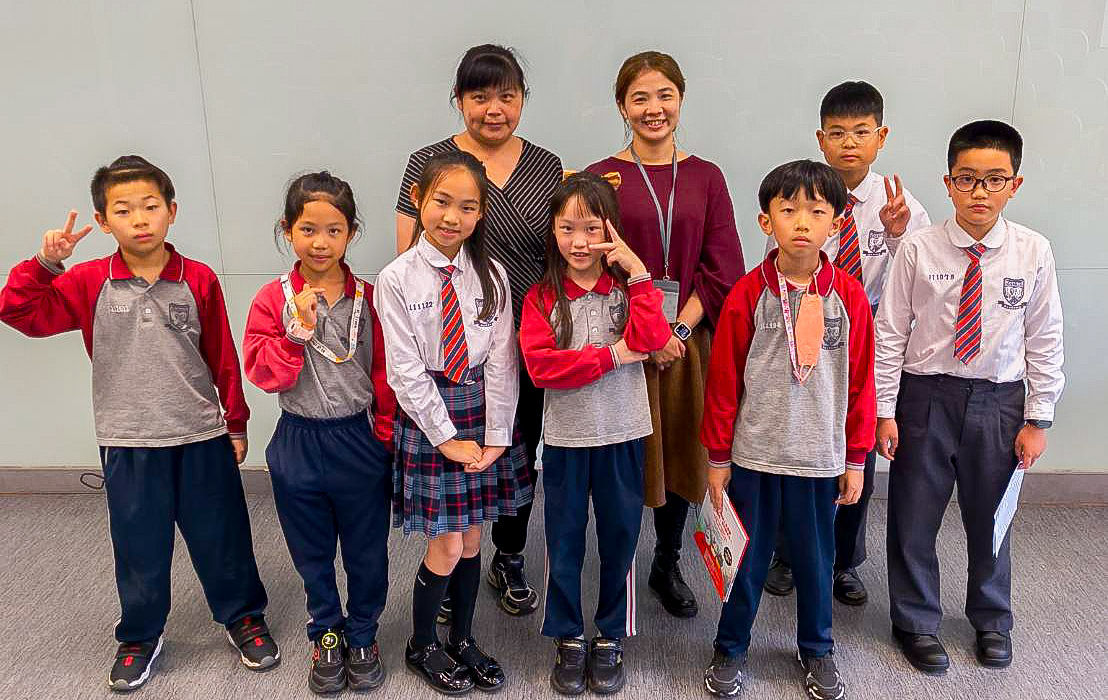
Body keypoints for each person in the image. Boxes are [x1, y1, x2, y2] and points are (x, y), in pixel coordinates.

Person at [0, 155, 277, 692]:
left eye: (151, 206)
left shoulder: (198, 278)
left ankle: (243, 617)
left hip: (201, 435)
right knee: (139, 545)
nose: (140, 219)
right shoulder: (87, 281)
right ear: (104, 222)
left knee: (222, 536)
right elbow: (20, 313)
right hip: (128, 439)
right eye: (123, 210)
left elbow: (222, 356)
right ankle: (140, 635)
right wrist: (44, 264)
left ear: (172, 211)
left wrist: (236, 423)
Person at [876, 120, 1064, 674]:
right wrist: (885, 411)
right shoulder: (918, 248)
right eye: (967, 179)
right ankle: (915, 621)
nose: (980, 192)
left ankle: (992, 618)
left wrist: (1039, 418)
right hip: (926, 397)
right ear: (949, 183)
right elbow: (891, 332)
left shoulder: (1032, 251)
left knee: (992, 516)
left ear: (1014, 184)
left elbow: (1045, 337)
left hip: (999, 402)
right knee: (913, 515)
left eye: (994, 179)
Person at [395, 44, 562, 617]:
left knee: (518, 447)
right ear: (459, 99)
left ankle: (508, 555)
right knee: (453, 459)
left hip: (527, 341)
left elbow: (558, 252)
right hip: (452, 347)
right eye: (480, 95)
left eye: (507, 96)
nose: (494, 108)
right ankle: (451, 565)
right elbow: (410, 257)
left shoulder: (545, 165)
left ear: (522, 100)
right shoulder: (428, 162)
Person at [700, 160, 874, 700]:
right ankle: (730, 645)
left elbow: (862, 382)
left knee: (817, 561)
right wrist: (718, 457)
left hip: (820, 458)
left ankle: (817, 647)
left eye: (817, 212)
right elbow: (723, 381)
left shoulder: (850, 297)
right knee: (746, 559)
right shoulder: (747, 294)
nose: (802, 222)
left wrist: (856, 458)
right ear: (765, 221)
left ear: (836, 223)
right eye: (789, 210)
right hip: (754, 455)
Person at [586, 51, 744, 619]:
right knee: (628, 459)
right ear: (622, 106)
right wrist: (647, 331)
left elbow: (722, 266)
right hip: (623, 342)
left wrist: (675, 328)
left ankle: (667, 560)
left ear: (680, 99)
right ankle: (621, 567)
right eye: (640, 98)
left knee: (680, 453)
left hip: (685, 343)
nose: (653, 109)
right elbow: (588, 262)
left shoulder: (706, 176)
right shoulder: (600, 177)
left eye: (664, 95)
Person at [763, 80, 931, 606]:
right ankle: (787, 554)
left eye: (861, 132)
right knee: (798, 446)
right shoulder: (802, 197)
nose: (849, 143)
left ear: (882, 136)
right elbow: (775, 270)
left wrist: (898, 235)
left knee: (856, 454)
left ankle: (843, 561)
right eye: (837, 133)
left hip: (870, 350)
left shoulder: (901, 204)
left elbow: (923, 281)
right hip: (807, 344)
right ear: (821, 139)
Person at [376, 151, 532, 694]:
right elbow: (404, 371)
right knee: (443, 546)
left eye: (467, 207)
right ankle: (422, 644)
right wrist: (446, 439)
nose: (452, 217)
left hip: (482, 413)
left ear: (481, 213)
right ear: (418, 200)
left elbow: (503, 362)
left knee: (471, 540)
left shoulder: (492, 275)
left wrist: (497, 436)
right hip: (431, 418)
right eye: (441, 202)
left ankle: (461, 638)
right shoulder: (396, 278)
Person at [243, 172, 396, 694]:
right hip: (299, 439)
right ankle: (326, 630)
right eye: (308, 230)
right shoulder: (273, 298)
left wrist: (384, 433)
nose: (321, 242)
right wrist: (296, 332)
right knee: (311, 552)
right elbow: (264, 374)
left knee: (367, 550)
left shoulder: (370, 298)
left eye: (334, 230)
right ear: (288, 230)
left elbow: (386, 371)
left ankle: (363, 633)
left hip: (359, 439)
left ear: (351, 232)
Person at [519, 172, 670, 695]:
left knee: (620, 539)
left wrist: (639, 272)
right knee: (563, 542)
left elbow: (652, 341)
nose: (579, 242)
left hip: (624, 434)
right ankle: (567, 635)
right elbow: (542, 368)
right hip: (566, 440)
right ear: (553, 231)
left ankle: (610, 635)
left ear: (611, 230)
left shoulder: (628, 291)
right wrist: (610, 356)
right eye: (567, 228)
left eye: (591, 229)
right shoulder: (541, 297)